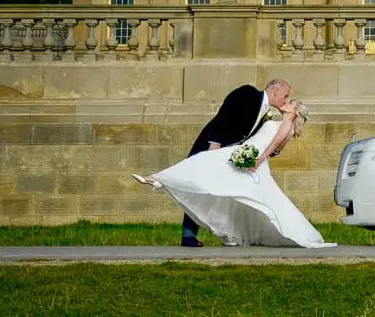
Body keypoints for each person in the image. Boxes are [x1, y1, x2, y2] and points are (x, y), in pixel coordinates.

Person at [132, 79, 333, 248]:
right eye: (286, 95)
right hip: (217, 145)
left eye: (289, 100)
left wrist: (259, 156)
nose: (286, 100)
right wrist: (215, 145)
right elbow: (224, 116)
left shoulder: (275, 118)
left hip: (240, 156)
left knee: (219, 189)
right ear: (275, 90)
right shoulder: (248, 94)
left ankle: (163, 183)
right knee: (200, 175)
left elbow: (272, 145)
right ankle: (180, 219)